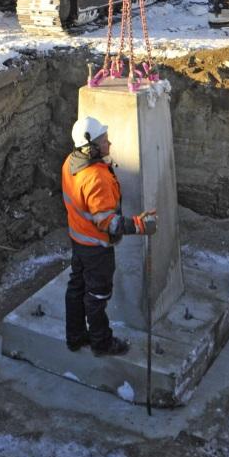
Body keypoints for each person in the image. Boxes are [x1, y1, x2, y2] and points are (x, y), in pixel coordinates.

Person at [62, 114, 157, 356]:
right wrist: (139, 225)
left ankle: (75, 337)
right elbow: (107, 223)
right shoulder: (96, 178)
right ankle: (101, 343)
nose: (109, 144)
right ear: (90, 147)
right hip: (96, 248)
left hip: (79, 240)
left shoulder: (70, 163)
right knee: (97, 295)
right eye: (104, 140)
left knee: (77, 287)